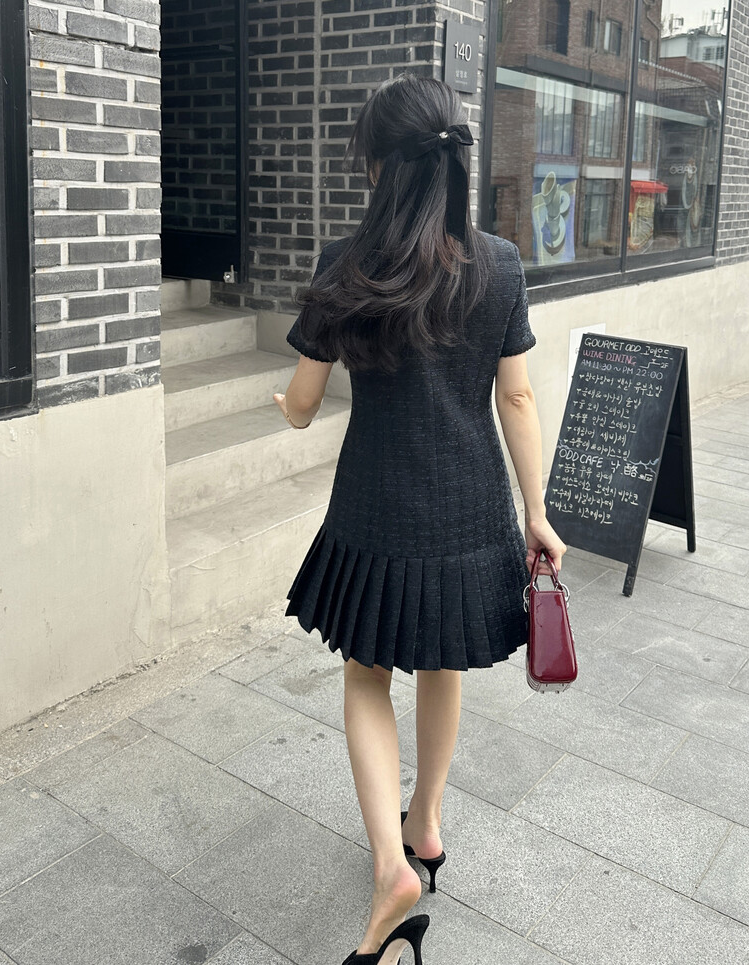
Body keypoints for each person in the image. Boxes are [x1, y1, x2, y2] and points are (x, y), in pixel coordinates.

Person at [272, 72, 566, 964]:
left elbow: (302, 403)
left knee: (367, 672)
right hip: (470, 507)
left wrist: (284, 405)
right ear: (454, 162)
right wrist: (538, 511)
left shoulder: (345, 264)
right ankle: (426, 823)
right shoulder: (500, 263)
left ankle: (390, 867)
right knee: (443, 662)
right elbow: (517, 398)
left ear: (377, 165)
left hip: (374, 506)